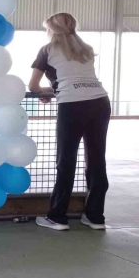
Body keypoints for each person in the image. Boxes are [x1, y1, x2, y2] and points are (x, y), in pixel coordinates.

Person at [29, 12, 110, 231]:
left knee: (66, 160)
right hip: (100, 102)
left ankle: (57, 217)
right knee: (96, 159)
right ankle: (95, 216)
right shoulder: (86, 49)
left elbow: (33, 86)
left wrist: (50, 90)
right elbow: (78, 78)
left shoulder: (47, 50)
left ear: (51, 30)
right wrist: (59, 88)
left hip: (72, 105)